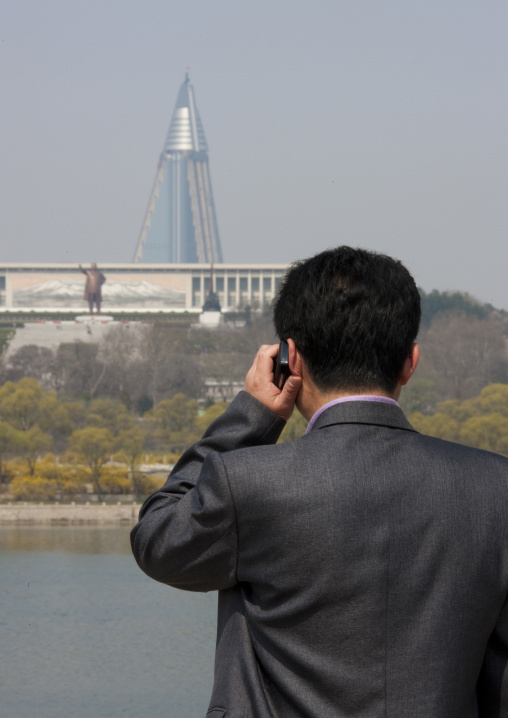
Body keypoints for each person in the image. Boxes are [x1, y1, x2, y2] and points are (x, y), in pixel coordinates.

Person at [131, 247, 508, 717]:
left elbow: (157, 540)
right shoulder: (495, 489)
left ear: (292, 359)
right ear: (410, 361)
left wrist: (251, 417)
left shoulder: (249, 483)